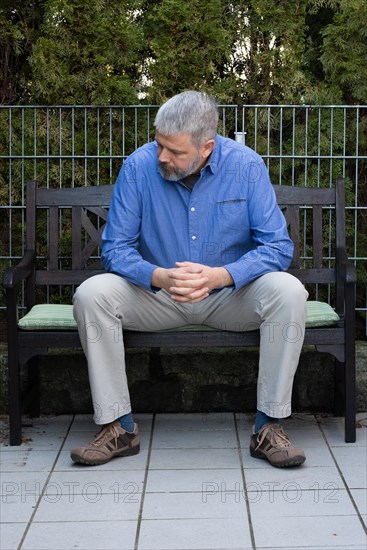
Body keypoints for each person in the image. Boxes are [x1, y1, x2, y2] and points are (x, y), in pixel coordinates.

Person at [71, 91, 308, 468]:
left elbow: (278, 247)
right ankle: (119, 428)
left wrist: (222, 275)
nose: (163, 156)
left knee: (289, 291)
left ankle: (269, 427)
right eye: (159, 144)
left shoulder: (246, 167)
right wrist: (158, 276)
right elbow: (114, 249)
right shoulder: (138, 167)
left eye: (175, 151)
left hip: (229, 297)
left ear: (207, 146)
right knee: (91, 294)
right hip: (158, 297)